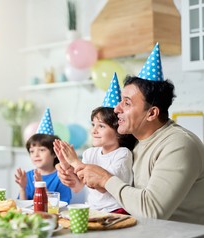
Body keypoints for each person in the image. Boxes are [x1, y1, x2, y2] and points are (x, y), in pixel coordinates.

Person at [59, 43, 204, 225]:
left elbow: (152, 211)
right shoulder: (133, 142)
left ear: (152, 113)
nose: (117, 109)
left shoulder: (179, 145)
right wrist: (76, 176)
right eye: (120, 101)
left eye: (126, 103)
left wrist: (105, 178)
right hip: (141, 235)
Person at [54, 73, 137, 214]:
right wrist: (66, 166)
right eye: (93, 125)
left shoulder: (123, 154)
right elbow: (79, 186)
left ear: (119, 131)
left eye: (101, 126)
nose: (94, 131)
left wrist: (75, 162)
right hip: (93, 209)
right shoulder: (90, 153)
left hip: (116, 210)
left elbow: (102, 186)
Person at [15, 108, 73, 204]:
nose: (36, 155)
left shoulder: (62, 177)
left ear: (54, 153)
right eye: (32, 151)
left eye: (42, 150)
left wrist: (41, 186)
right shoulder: (28, 176)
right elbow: (22, 206)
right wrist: (22, 188)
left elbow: (58, 207)